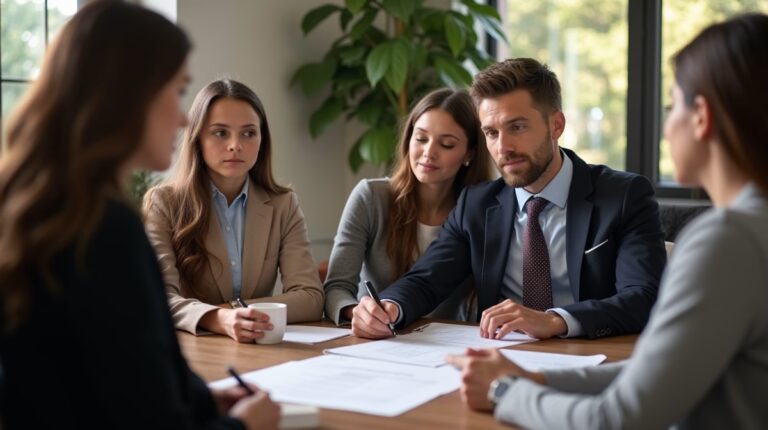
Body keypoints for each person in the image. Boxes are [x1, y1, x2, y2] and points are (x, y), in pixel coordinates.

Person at [446, 13, 768, 429]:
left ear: (701, 116)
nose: (666, 127)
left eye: (671, 106)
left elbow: (616, 419)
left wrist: (504, 391)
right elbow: (655, 375)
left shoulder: (726, 240)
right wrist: (536, 377)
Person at [0, 1, 279, 429]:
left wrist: (203, 400)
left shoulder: (34, 209)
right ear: (127, 97)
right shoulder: (104, 230)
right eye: (176, 90)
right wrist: (245, 425)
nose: (185, 117)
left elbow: (114, 379)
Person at [352, 58, 667, 340]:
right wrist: (389, 307)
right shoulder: (476, 204)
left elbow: (643, 297)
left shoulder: (624, 196)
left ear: (556, 125)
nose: (503, 147)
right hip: (497, 360)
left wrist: (555, 320)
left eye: (516, 127)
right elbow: (427, 279)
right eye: (491, 132)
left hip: (590, 358)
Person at [144, 79, 324, 342]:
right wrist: (218, 320)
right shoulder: (163, 203)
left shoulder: (283, 204)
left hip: (257, 346)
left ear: (262, 140)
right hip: (191, 348)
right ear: (197, 139)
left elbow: (310, 297)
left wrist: (234, 312)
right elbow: (159, 299)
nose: (235, 145)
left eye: (249, 133)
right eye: (220, 133)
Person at [324, 88, 492, 326]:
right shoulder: (371, 197)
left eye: (446, 144)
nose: (428, 153)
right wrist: (360, 314)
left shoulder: (481, 212)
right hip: (375, 339)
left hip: (447, 343)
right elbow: (336, 287)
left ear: (470, 154)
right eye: (421, 138)